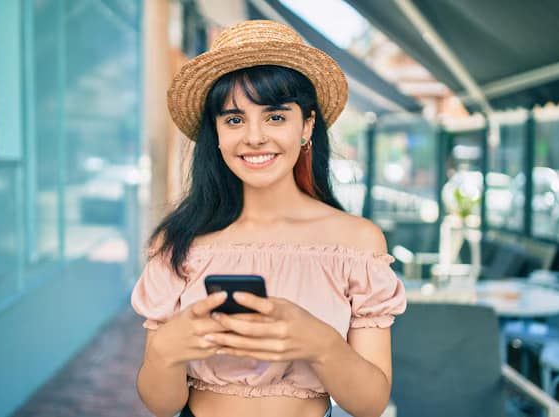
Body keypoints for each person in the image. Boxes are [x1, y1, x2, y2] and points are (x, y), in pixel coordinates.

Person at [131, 20, 406, 417]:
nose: (254, 137)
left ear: (307, 125)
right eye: (234, 119)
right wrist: (164, 353)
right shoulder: (179, 242)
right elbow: (162, 404)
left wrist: (320, 343)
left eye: (275, 117)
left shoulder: (358, 243)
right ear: (217, 132)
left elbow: (370, 405)